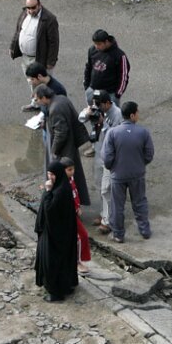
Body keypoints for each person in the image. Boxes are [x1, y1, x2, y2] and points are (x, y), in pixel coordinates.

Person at [102, 101, 154, 243]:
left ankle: (118, 234)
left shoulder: (112, 133)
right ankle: (145, 230)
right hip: (137, 174)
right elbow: (149, 154)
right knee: (139, 202)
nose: (138, 115)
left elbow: (106, 157)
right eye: (137, 112)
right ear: (132, 115)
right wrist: (140, 164)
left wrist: (113, 168)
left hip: (118, 175)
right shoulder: (143, 132)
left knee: (117, 205)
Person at [34, 85, 90, 205]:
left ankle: (66, 204)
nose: (36, 102)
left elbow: (61, 132)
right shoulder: (62, 99)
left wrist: (54, 151)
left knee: (64, 179)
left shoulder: (55, 109)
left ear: (43, 98)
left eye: (37, 99)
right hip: (70, 144)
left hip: (64, 149)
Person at [79, 90, 123, 235]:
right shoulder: (97, 109)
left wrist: (102, 124)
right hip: (99, 153)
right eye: (94, 104)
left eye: (99, 105)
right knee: (100, 186)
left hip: (110, 157)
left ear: (107, 103)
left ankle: (109, 220)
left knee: (107, 189)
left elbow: (116, 137)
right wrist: (87, 113)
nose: (97, 107)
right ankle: (104, 214)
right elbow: (80, 119)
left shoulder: (117, 114)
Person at [34, 160, 78, 302]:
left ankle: (56, 292)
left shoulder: (59, 191)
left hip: (54, 236)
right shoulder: (63, 187)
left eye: (52, 174)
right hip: (63, 234)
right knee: (65, 261)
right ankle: (67, 286)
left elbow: (49, 211)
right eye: (49, 174)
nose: (50, 177)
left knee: (51, 262)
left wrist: (47, 192)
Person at [10, 0, 59, 111]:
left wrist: (51, 61)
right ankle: (36, 104)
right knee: (32, 82)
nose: (31, 10)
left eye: (33, 7)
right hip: (26, 57)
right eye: (28, 8)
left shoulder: (49, 19)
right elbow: (18, 31)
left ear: (39, 5)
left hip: (40, 59)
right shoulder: (24, 14)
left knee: (44, 84)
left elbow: (54, 42)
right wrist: (12, 47)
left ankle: (49, 107)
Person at [59, 158, 91, 275]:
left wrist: (78, 207)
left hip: (74, 213)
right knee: (78, 238)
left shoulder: (71, 179)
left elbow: (75, 194)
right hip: (67, 216)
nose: (72, 172)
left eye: (73, 169)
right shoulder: (61, 184)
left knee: (81, 236)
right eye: (69, 170)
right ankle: (76, 262)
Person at [83, 29, 130, 105]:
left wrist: (117, 95)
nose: (96, 47)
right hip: (92, 91)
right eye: (95, 44)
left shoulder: (119, 56)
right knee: (93, 115)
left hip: (110, 95)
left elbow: (123, 77)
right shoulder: (92, 50)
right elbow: (88, 68)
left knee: (111, 116)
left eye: (99, 44)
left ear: (106, 42)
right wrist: (87, 87)